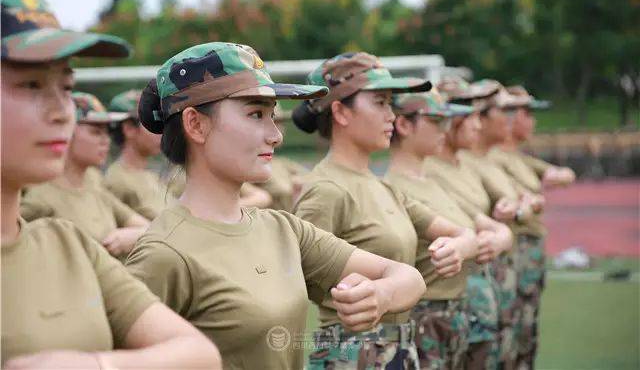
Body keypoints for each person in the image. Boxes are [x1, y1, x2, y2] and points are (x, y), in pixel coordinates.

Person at [125, 42, 427, 370]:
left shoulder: (282, 229)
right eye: (256, 114)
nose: (276, 135)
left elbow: (406, 276)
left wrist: (380, 296)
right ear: (196, 124)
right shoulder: (164, 253)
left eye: (272, 116)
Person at [1, 0, 221, 369]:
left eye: (66, 88)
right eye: (31, 84)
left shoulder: (66, 245)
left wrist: (96, 365)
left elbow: (200, 355)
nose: (60, 110)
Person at [292, 53, 477, 369]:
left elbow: (466, 235)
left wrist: (456, 247)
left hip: (399, 348)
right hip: (353, 352)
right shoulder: (325, 190)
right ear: (340, 111)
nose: (391, 114)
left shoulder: (383, 188)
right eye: (379, 102)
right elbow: (297, 282)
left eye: (391, 103)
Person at [385, 90, 512, 369]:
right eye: (436, 121)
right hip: (424, 316)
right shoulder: (394, 188)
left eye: (446, 121)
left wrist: (496, 237)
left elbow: (482, 227)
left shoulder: (432, 182)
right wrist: (477, 243)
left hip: (456, 310)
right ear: (404, 126)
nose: (444, 129)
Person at [452, 81, 538, 370]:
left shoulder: (475, 163)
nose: (510, 120)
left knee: (511, 350)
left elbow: (519, 203)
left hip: (493, 279)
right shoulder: (460, 164)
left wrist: (518, 210)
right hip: (466, 290)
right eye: (503, 111)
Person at [488, 85, 575, 369]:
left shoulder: (521, 159)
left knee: (525, 332)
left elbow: (565, 175)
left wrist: (533, 199)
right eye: (526, 113)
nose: (532, 121)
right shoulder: (494, 159)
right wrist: (529, 203)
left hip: (528, 251)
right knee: (510, 333)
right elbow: (514, 207)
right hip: (515, 250)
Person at [21, 91, 149, 258]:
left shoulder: (93, 182)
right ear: (66, 132)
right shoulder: (38, 197)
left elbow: (148, 228)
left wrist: (132, 236)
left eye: (106, 132)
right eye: (96, 132)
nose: (106, 140)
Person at [104, 88, 169, 220]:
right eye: (152, 123)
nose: (160, 132)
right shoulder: (117, 182)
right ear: (129, 129)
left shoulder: (149, 176)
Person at [256, 103, 308, 211]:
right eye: (276, 122)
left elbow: (314, 180)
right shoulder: (249, 164)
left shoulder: (282, 163)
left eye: (279, 123)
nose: (279, 130)